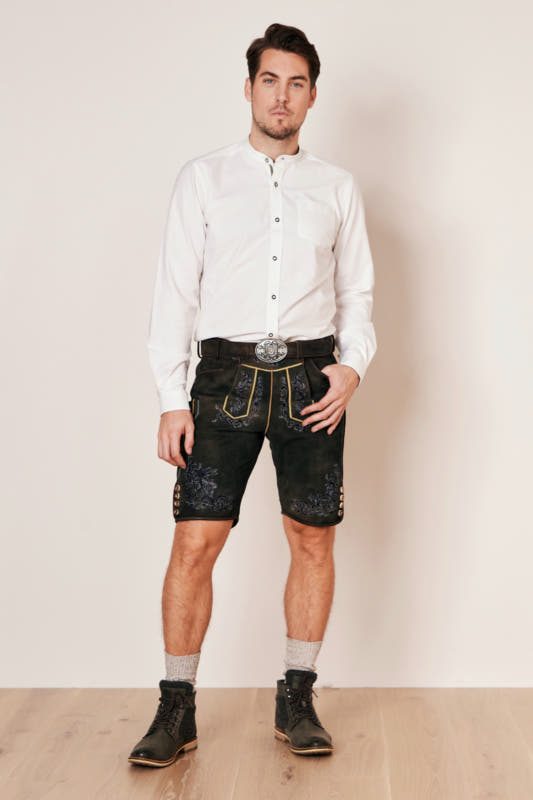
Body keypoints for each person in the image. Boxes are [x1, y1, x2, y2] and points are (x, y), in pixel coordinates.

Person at [128, 22, 377, 767]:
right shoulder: (203, 178)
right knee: (195, 540)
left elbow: (356, 293)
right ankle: (176, 707)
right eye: (270, 80)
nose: (281, 96)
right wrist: (171, 396)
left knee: (312, 535)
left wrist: (352, 367)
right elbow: (175, 293)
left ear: (312, 97)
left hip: (311, 379)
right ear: (248, 88)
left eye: (296, 83)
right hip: (223, 380)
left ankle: (297, 697)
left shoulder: (337, 187)